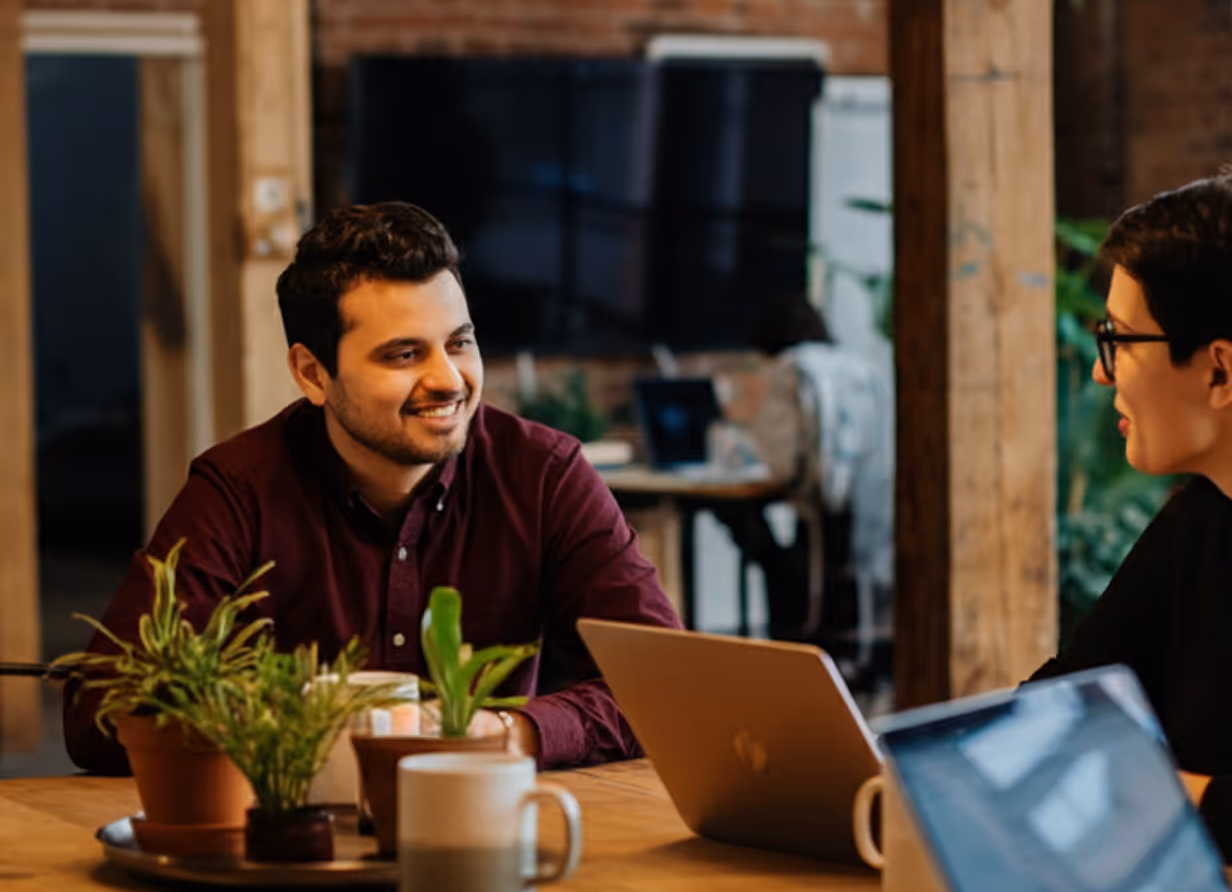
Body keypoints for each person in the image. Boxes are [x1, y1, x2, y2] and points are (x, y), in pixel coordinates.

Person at [64, 202, 680, 774]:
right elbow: (101, 710)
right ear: (313, 373)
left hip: (490, 826)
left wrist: (496, 735)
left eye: (459, 343)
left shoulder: (545, 474)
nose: (448, 379)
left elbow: (665, 688)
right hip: (293, 843)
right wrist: (314, 731)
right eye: (403, 354)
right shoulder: (239, 487)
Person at [1030, 173, 1232, 855]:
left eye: (1119, 341)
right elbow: (1063, 703)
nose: (1099, 373)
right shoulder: (1200, 521)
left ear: (1220, 373)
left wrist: (1155, 790)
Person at [722, 293, 894, 670]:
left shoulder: (790, 370)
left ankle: (781, 643)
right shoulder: (861, 366)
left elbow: (783, 465)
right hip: (870, 518)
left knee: (735, 514)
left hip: (821, 526)